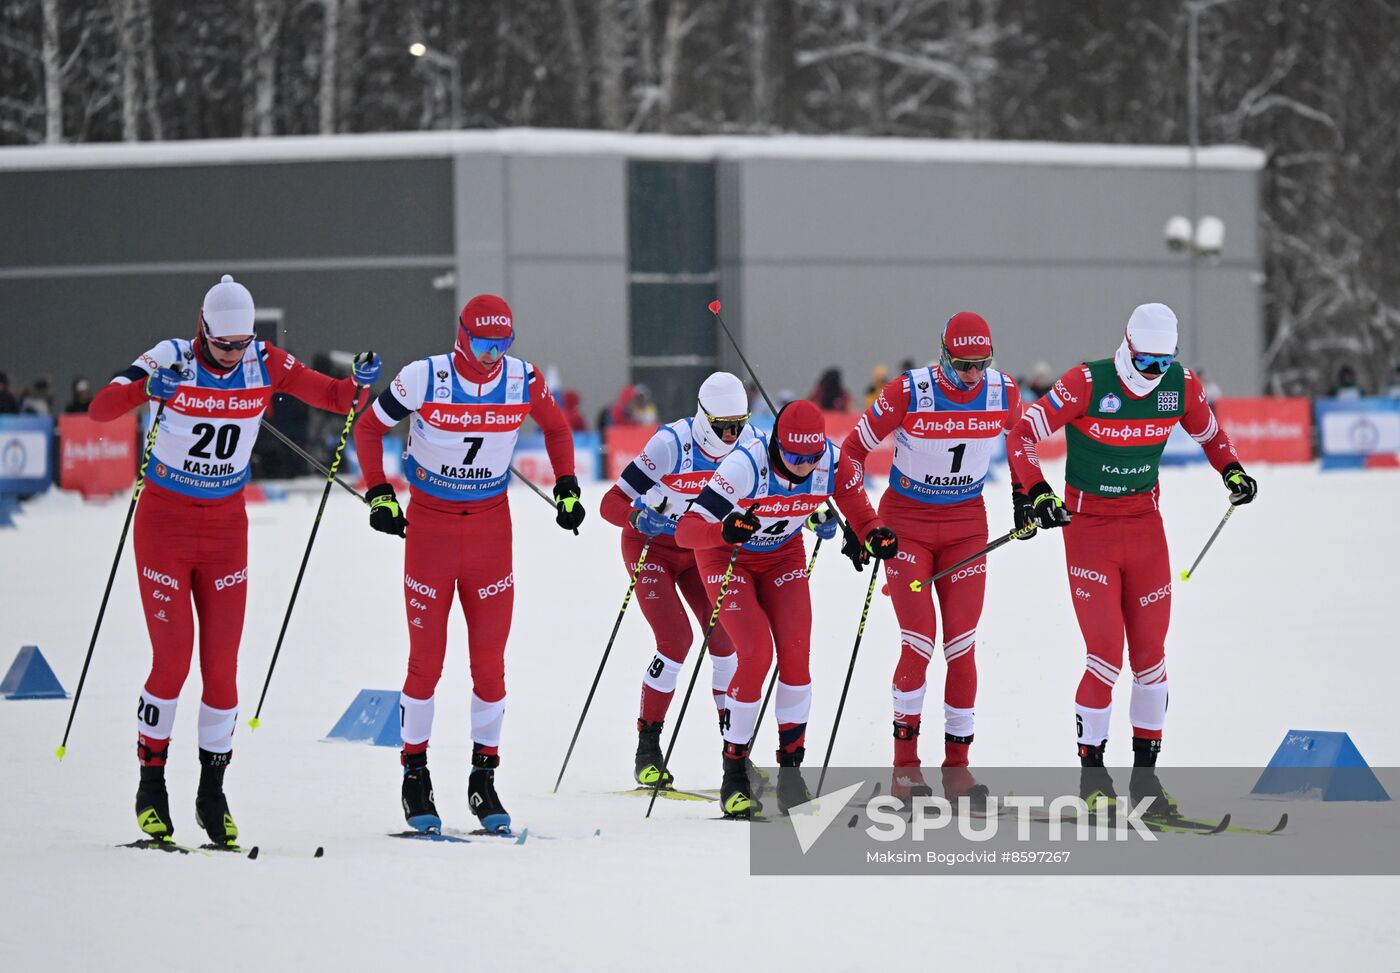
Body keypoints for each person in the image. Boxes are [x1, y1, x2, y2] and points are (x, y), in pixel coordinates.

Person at [86, 274, 379, 846]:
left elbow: (336, 399)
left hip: (225, 531)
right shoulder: (169, 357)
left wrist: (361, 380)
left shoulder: (264, 359)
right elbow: (99, 408)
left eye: (241, 343)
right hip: (165, 526)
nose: (232, 354)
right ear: (202, 329)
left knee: (222, 672)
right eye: (223, 345)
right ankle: (151, 786)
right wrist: (148, 389)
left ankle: (212, 793)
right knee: (172, 662)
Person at [1006, 303, 1257, 819]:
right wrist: (1037, 492)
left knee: (1151, 660)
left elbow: (1211, 435)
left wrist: (1232, 470)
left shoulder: (1178, 386)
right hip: (1089, 530)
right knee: (1104, 657)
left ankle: (1146, 782)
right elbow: (1022, 435)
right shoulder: (1086, 383)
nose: (1153, 375)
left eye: (1164, 363)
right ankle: (1093, 778)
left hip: (1144, 529)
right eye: (1145, 363)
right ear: (1127, 348)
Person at [353, 293, 582, 836]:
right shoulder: (424, 377)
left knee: (490, 663)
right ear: (462, 337)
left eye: (502, 343)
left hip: (489, 532)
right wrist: (380, 494)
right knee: (426, 661)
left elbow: (557, 428)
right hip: (430, 528)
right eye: (483, 343)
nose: (492, 354)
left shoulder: (521, 379)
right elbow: (367, 427)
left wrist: (568, 485)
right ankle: (415, 773)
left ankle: (484, 777)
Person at [675, 400, 895, 818]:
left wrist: (876, 535)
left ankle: (791, 773)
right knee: (757, 654)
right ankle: (735, 772)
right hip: (727, 558)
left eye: (811, 459)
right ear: (777, 446)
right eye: (794, 458)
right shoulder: (744, 466)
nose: (803, 467)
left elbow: (863, 516)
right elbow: (687, 531)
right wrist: (721, 529)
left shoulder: (834, 463)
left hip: (782, 557)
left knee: (796, 655)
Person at [839, 312, 1025, 806]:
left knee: (961, 646)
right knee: (919, 644)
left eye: (981, 363)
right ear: (943, 354)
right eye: (962, 364)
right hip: (907, 528)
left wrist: (1029, 496)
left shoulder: (1002, 391)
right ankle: (905, 768)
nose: (971, 374)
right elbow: (850, 456)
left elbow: (1022, 442)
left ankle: (958, 769)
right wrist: (865, 525)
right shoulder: (908, 391)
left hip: (967, 527)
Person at [599, 372, 758, 787]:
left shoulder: (748, 442)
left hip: (700, 550)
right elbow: (609, 503)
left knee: (727, 642)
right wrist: (637, 515)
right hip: (650, 545)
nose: (731, 435)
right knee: (675, 641)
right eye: (723, 426)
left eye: (739, 425)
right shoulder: (672, 444)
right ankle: (647, 748)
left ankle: (736, 755)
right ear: (703, 418)